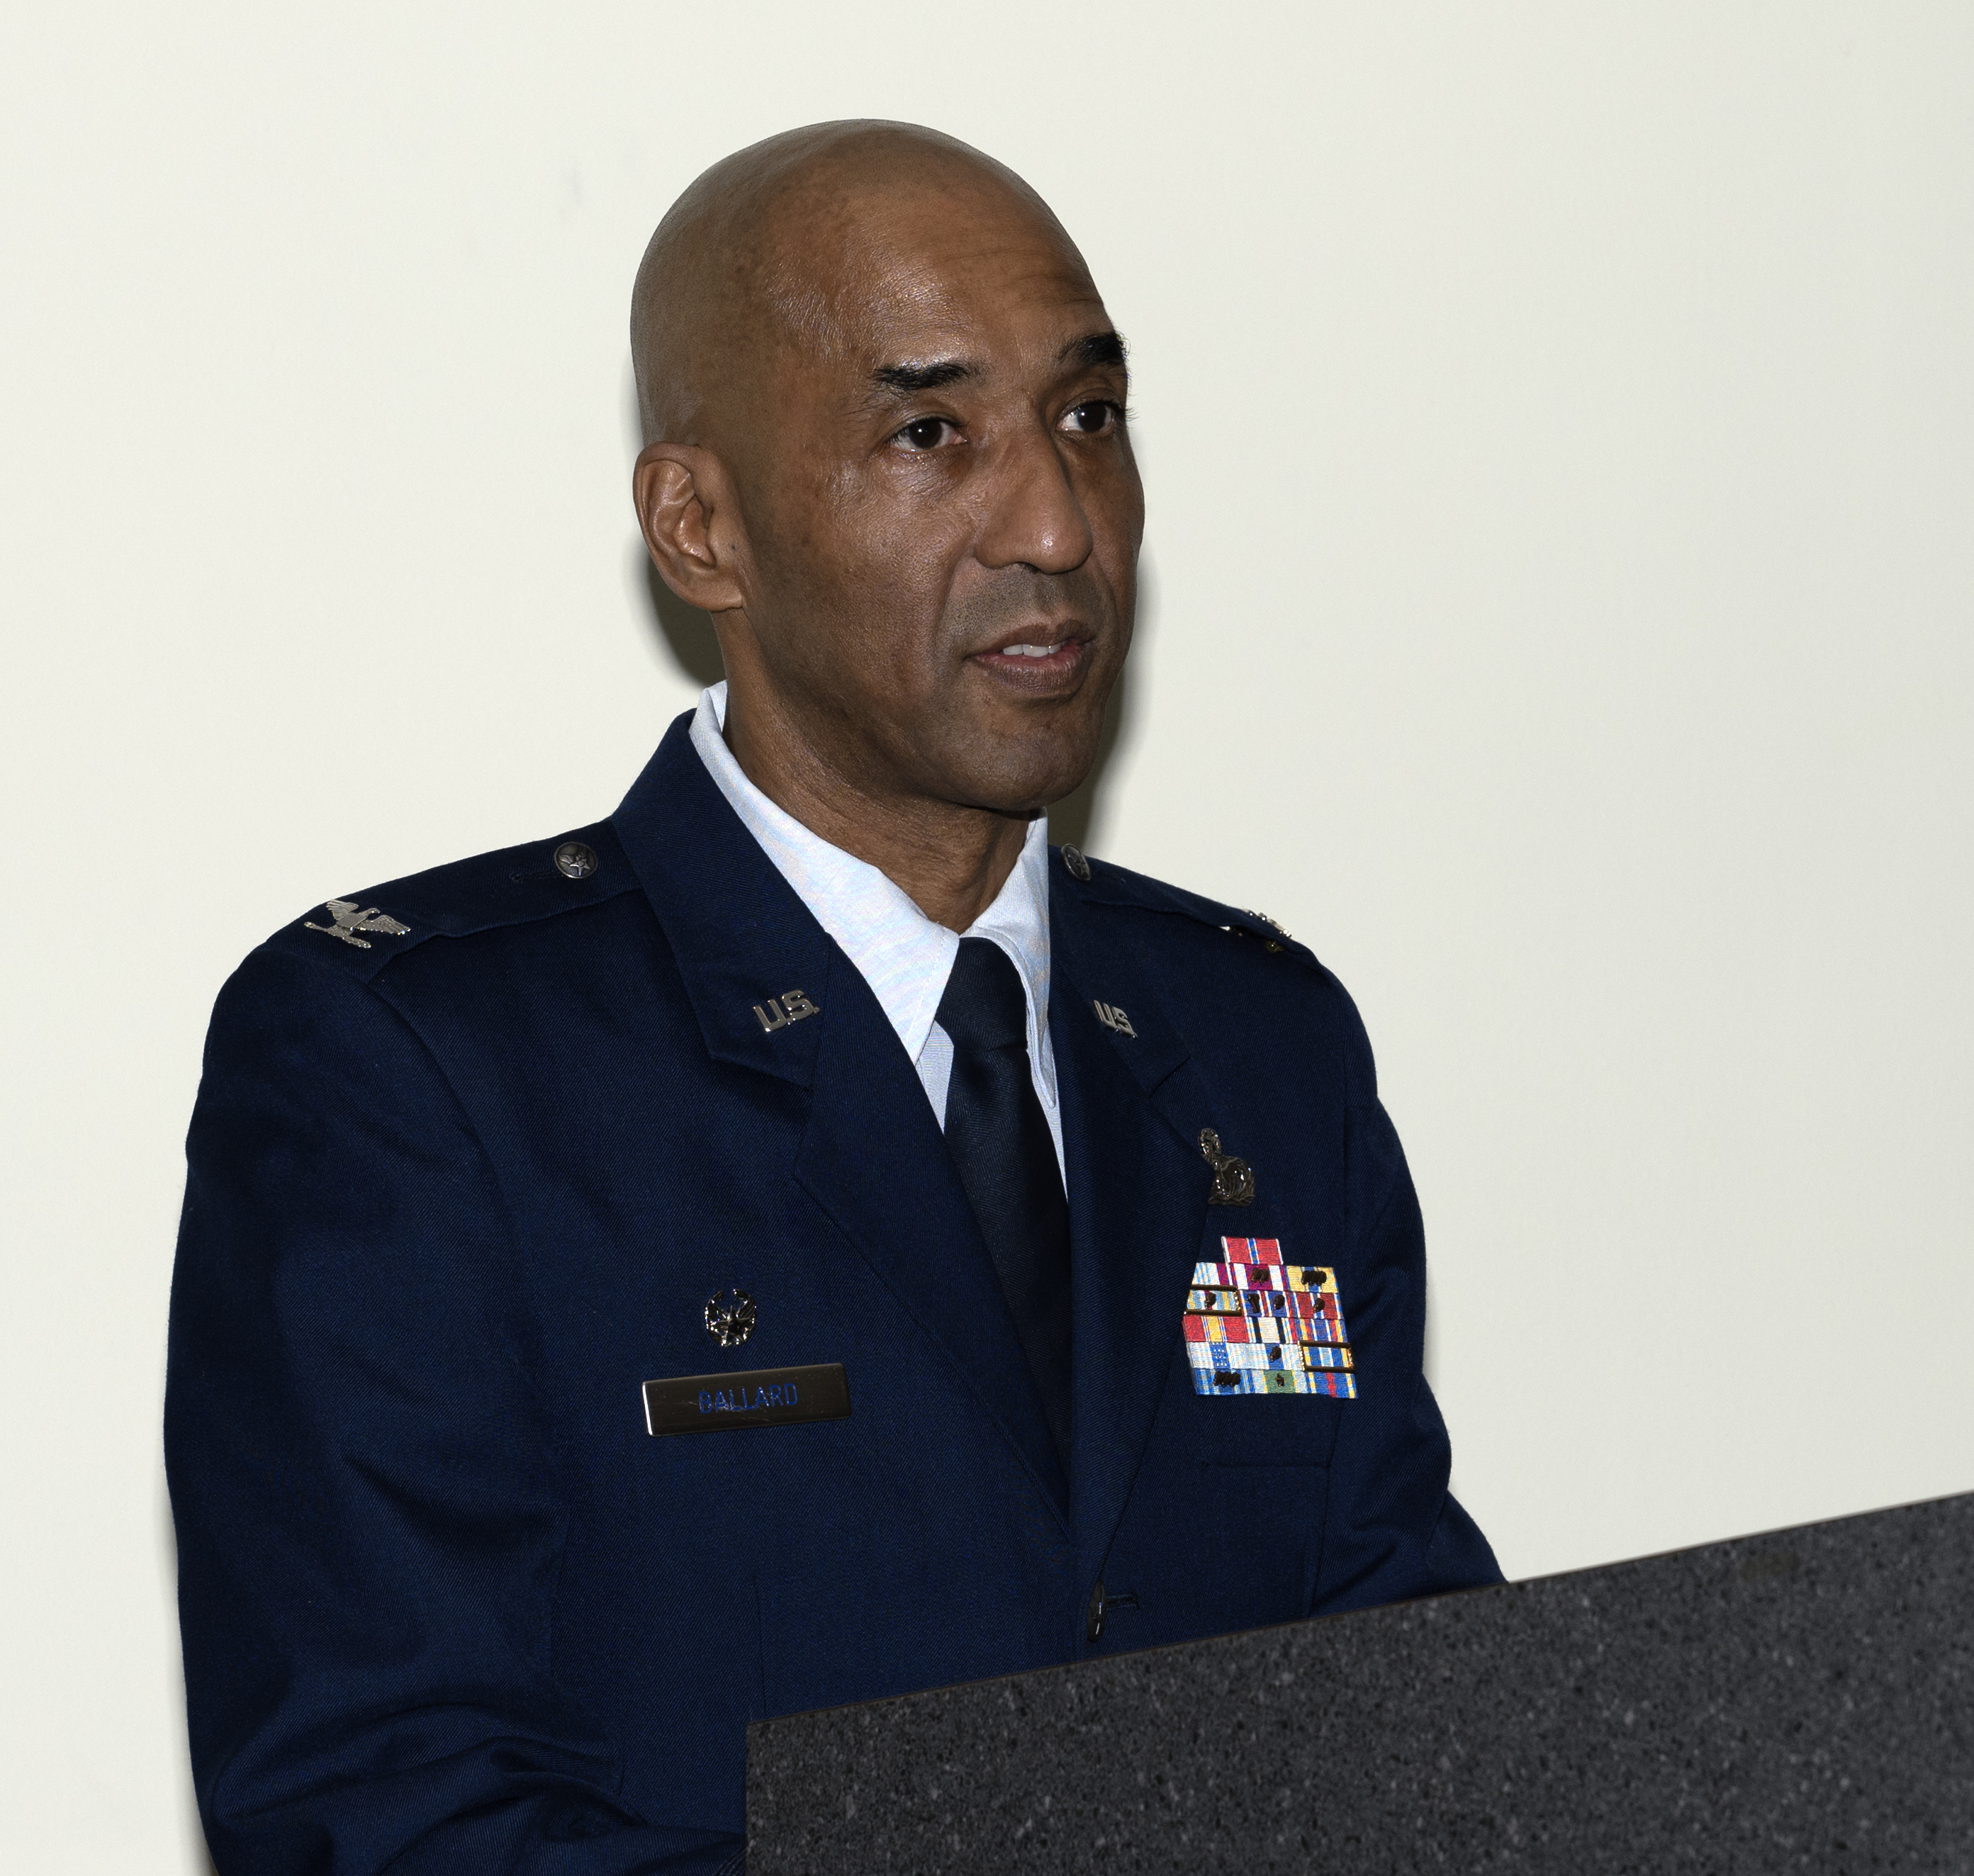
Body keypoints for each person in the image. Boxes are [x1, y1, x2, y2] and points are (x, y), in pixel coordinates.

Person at [165, 120, 1498, 1876]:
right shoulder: (420, 1073)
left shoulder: (1257, 1047)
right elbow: (388, 1822)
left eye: (1089, 418)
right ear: (699, 524)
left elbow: (1425, 1713)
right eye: (929, 431)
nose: (1054, 521)